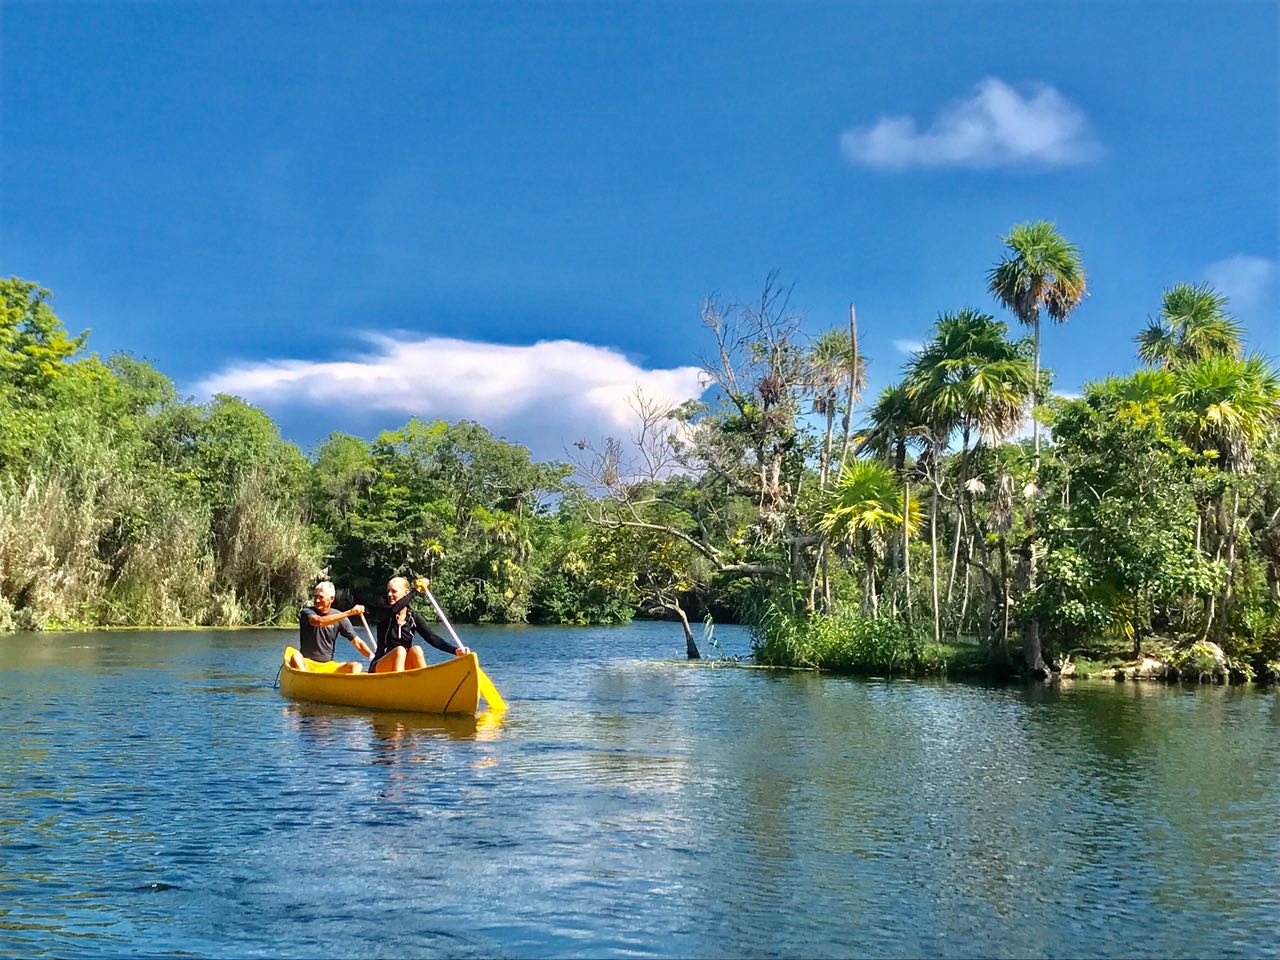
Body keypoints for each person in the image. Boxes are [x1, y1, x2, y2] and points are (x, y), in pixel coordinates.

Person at [370, 576, 470, 674]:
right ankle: (399, 684)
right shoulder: (384, 613)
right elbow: (395, 609)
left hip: (402, 665)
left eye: (394, 591)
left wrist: (455, 650)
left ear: (406, 593)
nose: (389, 594)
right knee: (400, 650)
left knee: (416, 650)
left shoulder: (413, 618)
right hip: (379, 666)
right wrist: (416, 590)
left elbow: (432, 638)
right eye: (388, 591)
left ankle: (424, 682)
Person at [288, 581, 373, 673]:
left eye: (321, 597)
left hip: (328, 666)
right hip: (307, 664)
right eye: (315, 596)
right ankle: (307, 680)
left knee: (357, 666)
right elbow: (319, 622)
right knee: (296, 657)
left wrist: (372, 657)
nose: (317, 600)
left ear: (331, 599)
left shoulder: (339, 616)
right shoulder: (307, 612)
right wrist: (349, 613)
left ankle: (349, 686)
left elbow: (357, 643)